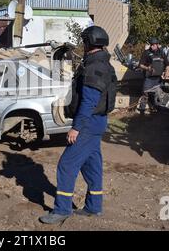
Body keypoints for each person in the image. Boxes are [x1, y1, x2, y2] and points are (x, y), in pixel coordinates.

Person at [39, 26, 117, 225]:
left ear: (90, 42)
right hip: (96, 122)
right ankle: (93, 206)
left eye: (84, 42)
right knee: (92, 166)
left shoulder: (95, 67)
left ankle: (62, 209)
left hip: (88, 123)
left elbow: (89, 102)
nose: (83, 45)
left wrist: (76, 128)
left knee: (66, 165)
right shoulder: (101, 63)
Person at [138, 37, 169, 114]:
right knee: (145, 94)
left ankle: (157, 108)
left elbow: (167, 65)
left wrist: (167, 72)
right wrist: (147, 68)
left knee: (158, 94)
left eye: (154, 45)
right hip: (148, 78)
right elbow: (140, 65)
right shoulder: (146, 53)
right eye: (151, 45)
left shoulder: (162, 53)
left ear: (157, 45)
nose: (152, 46)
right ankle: (142, 109)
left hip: (158, 78)